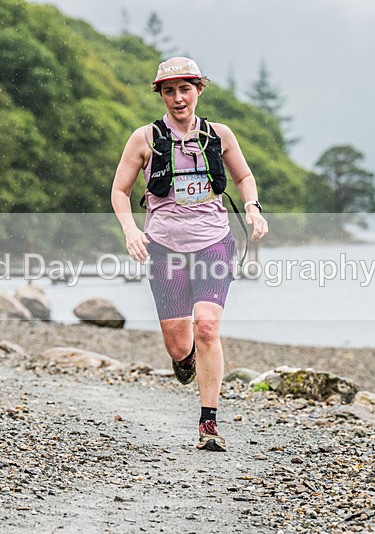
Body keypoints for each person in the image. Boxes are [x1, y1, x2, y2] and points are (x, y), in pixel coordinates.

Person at [111, 57, 268, 452]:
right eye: (169, 91)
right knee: (180, 345)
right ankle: (186, 362)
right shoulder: (144, 138)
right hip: (164, 248)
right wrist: (131, 230)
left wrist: (252, 207)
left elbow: (244, 177)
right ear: (160, 94)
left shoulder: (220, 135)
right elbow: (119, 191)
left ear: (199, 90)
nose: (178, 98)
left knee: (207, 326)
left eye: (185, 89)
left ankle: (208, 422)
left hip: (214, 242)